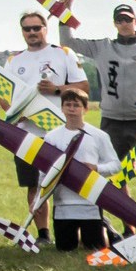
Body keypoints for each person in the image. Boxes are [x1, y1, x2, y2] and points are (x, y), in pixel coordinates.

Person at [4, 11, 89, 240]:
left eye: (36, 28)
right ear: (22, 32)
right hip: (26, 135)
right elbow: (4, 97)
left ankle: (79, 230)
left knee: (71, 184)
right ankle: (43, 232)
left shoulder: (63, 54)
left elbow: (83, 87)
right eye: (27, 29)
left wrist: (56, 90)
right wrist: (15, 110)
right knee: (34, 185)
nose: (32, 33)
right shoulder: (14, 60)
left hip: (61, 132)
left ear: (45, 28)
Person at [61, 3, 136, 168]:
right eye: (119, 20)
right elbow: (67, 42)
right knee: (111, 172)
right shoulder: (102, 47)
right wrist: (63, 15)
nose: (124, 23)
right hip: (112, 121)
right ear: (114, 24)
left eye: (128, 19)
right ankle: (122, 195)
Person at [38, 90, 120, 252]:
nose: (72, 109)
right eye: (67, 105)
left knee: (95, 248)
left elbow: (115, 165)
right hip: (62, 204)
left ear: (85, 109)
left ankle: (105, 227)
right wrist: (39, 197)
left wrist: (96, 168)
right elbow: (43, 170)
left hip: (90, 201)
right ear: (61, 108)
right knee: (65, 249)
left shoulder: (99, 136)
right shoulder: (51, 137)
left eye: (76, 105)